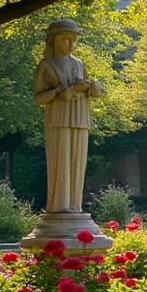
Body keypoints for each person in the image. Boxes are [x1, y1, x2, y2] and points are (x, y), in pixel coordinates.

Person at [34, 19, 104, 213]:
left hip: (80, 117)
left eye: (73, 40)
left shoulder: (79, 64)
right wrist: (59, 92)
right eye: (66, 39)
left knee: (77, 162)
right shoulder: (46, 65)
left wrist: (90, 86)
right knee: (61, 162)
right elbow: (38, 98)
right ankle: (59, 206)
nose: (71, 44)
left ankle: (75, 206)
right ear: (53, 39)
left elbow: (90, 89)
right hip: (58, 118)